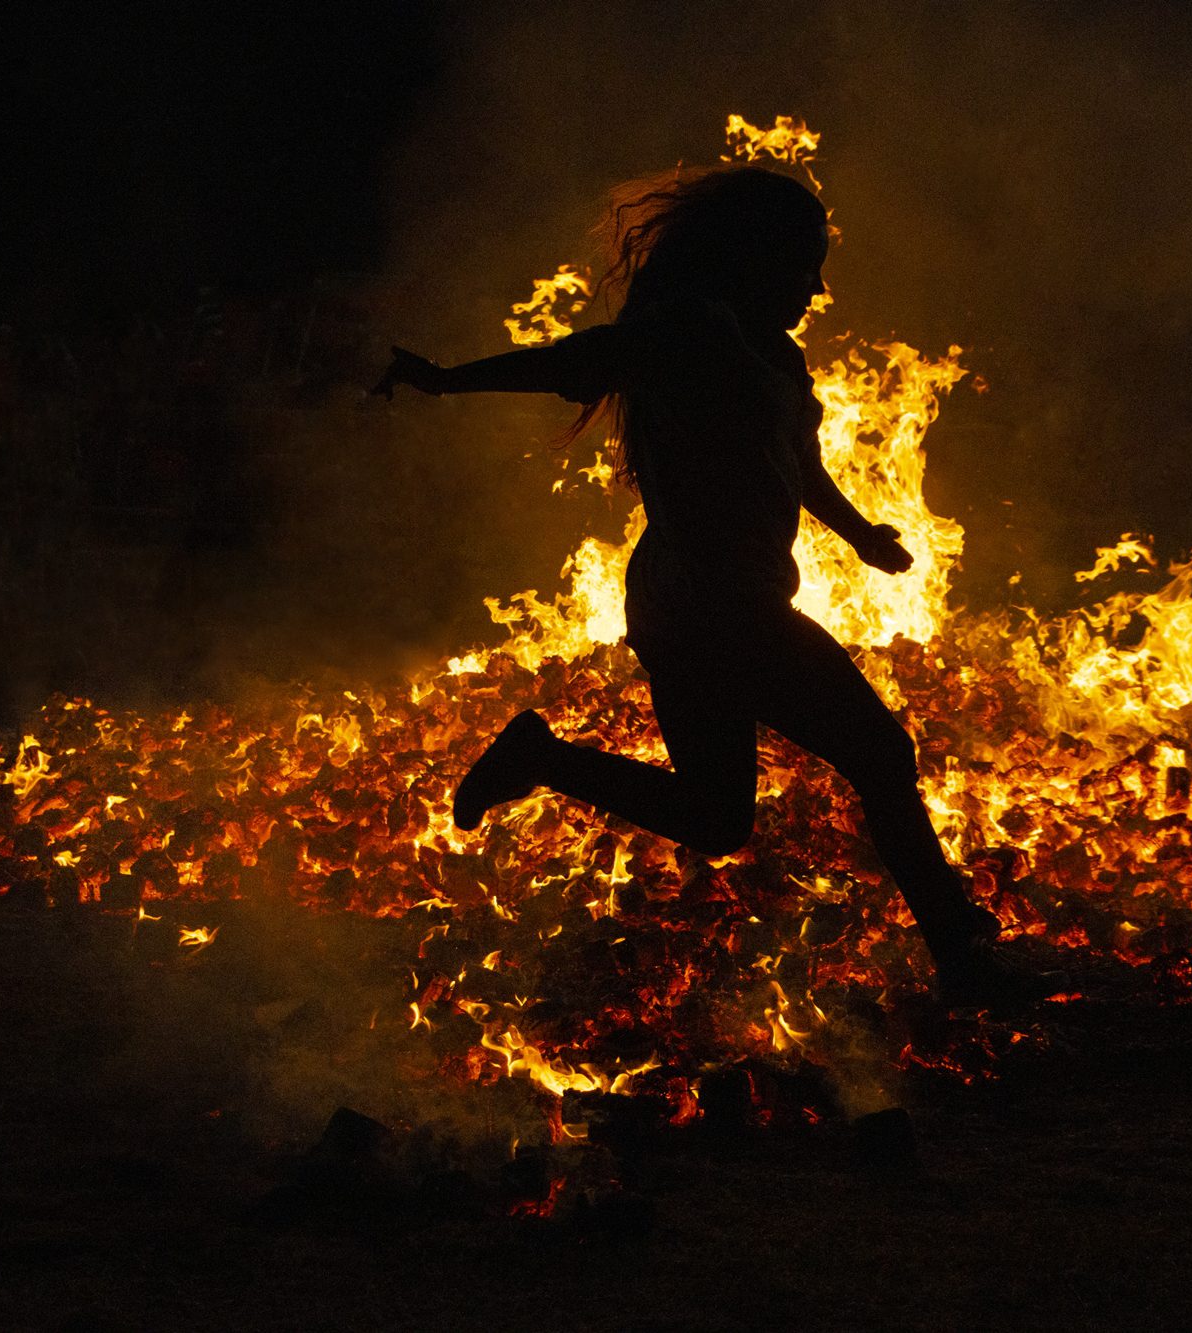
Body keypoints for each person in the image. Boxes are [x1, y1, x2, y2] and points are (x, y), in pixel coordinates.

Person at [373, 166, 1056, 1005]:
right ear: (754, 258)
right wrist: (445, 379)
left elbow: (800, 465)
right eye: (804, 265)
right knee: (881, 753)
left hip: (705, 602)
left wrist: (861, 537)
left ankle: (539, 756)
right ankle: (960, 952)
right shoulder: (688, 330)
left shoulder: (775, 352)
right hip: (712, 602)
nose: (816, 287)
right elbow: (576, 361)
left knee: (716, 817)